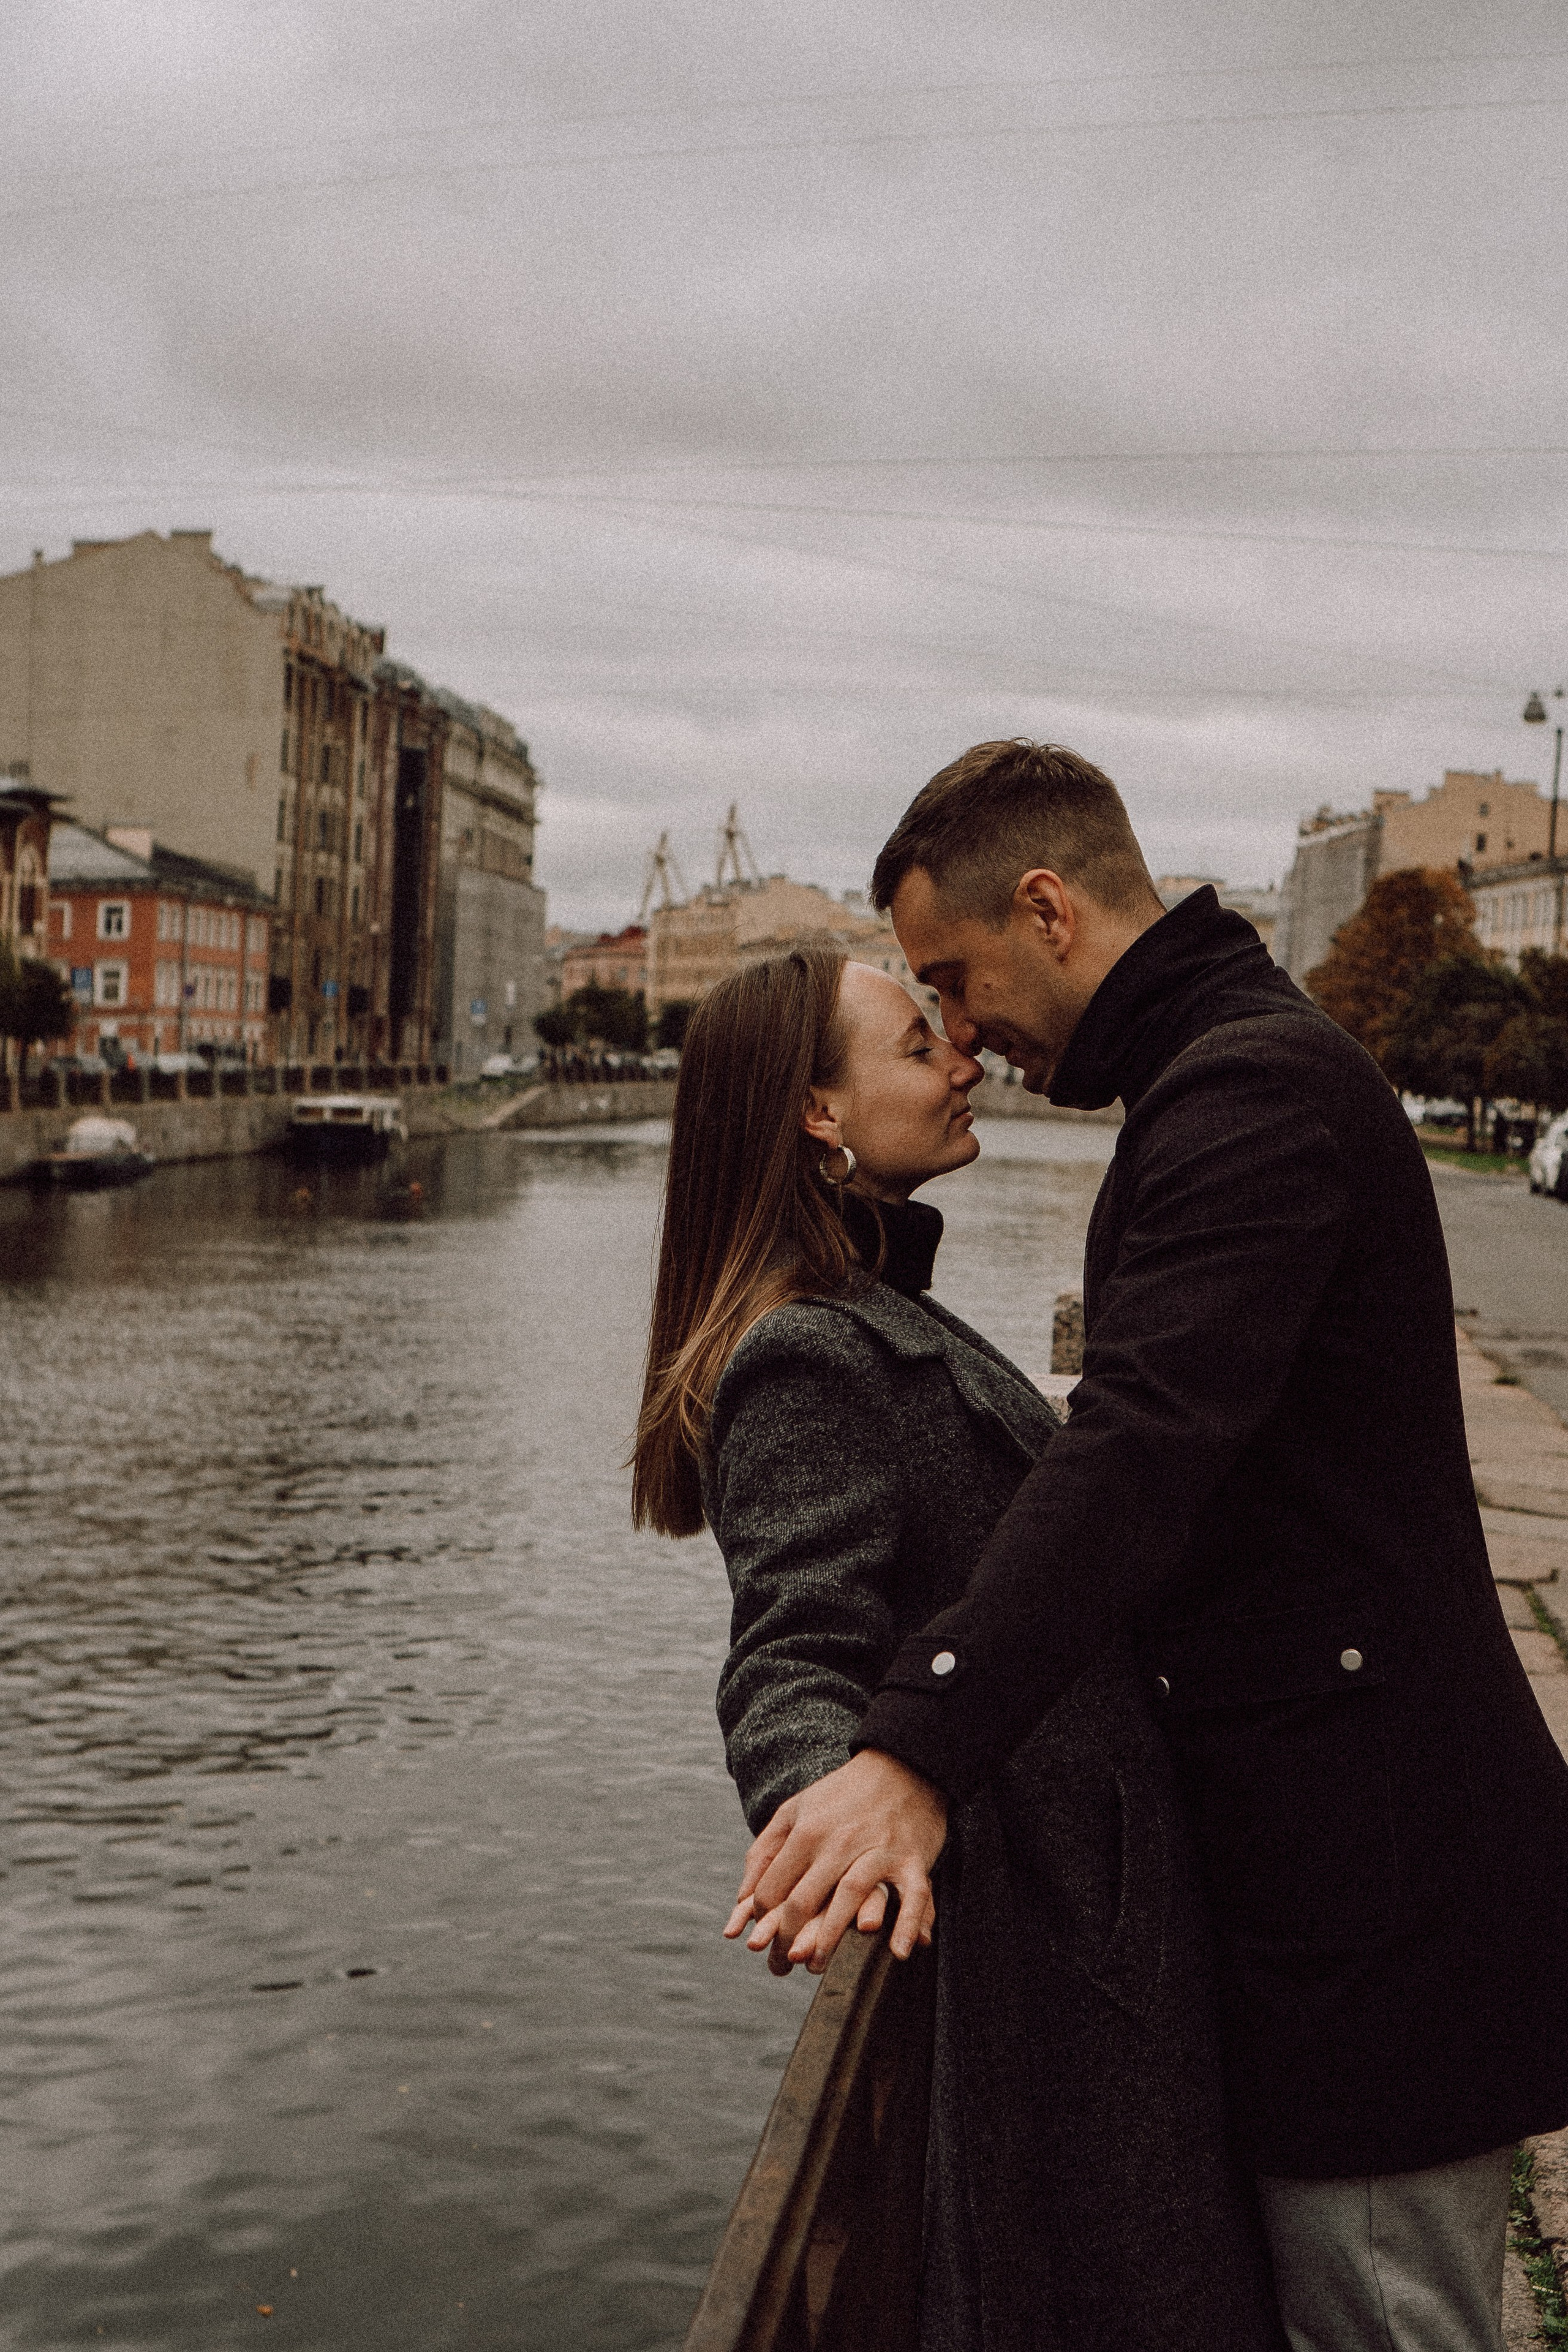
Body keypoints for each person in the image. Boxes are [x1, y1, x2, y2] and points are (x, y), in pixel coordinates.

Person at [729, 740, 1568, 2352]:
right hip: (1326, 1885)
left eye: (953, 980)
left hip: (1374, 1900)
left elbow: (1141, 1448)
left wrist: (914, 1748)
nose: (962, 1031)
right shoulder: (1223, 1068)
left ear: (1047, 909)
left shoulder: (1246, 1090)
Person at [633, 946, 1286, 2351]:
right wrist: (834, 1817)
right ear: (817, 1112)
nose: (962, 1056)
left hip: (1086, 1920)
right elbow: (788, 1653)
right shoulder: (807, 1353)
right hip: (1044, 1945)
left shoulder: (885, 1308)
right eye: (916, 1043)